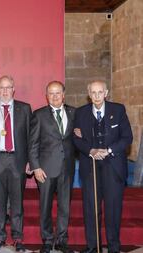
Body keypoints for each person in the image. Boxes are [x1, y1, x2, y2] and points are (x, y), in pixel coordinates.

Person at [73, 81, 132, 253]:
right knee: (91, 208)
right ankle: (93, 246)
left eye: (100, 92)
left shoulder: (118, 110)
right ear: (89, 94)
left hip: (113, 166)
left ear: (106, 93)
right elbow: (76, 139)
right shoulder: (81, 113)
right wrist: (90, 150)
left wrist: (109, 150)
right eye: (94, 92)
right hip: (90, 166)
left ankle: (114, 247)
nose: (97, 96)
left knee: (113, 209)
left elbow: (127, 137)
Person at [0, 76, 31, 251]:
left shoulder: (25, 109)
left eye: (8, 87)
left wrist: (30, 162)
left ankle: (18, 238)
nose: (4, 91)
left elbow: (30, 138)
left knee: (17, 202)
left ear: (13, 89)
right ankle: (0, 237)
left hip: (18, 161)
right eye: (1, 88)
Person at [29, 81, 76, 253]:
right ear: (46, 95)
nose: (55, 96)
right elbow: (32, 143)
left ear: (63, 94)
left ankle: (62, 240)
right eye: (51, 93)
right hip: (46, 169)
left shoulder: (74, 113)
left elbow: (77, 139)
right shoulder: (39, 115)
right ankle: (47, 240)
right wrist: (35, 167)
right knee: (45, 206)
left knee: (65, 206)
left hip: (67, 169)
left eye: (58, 93)